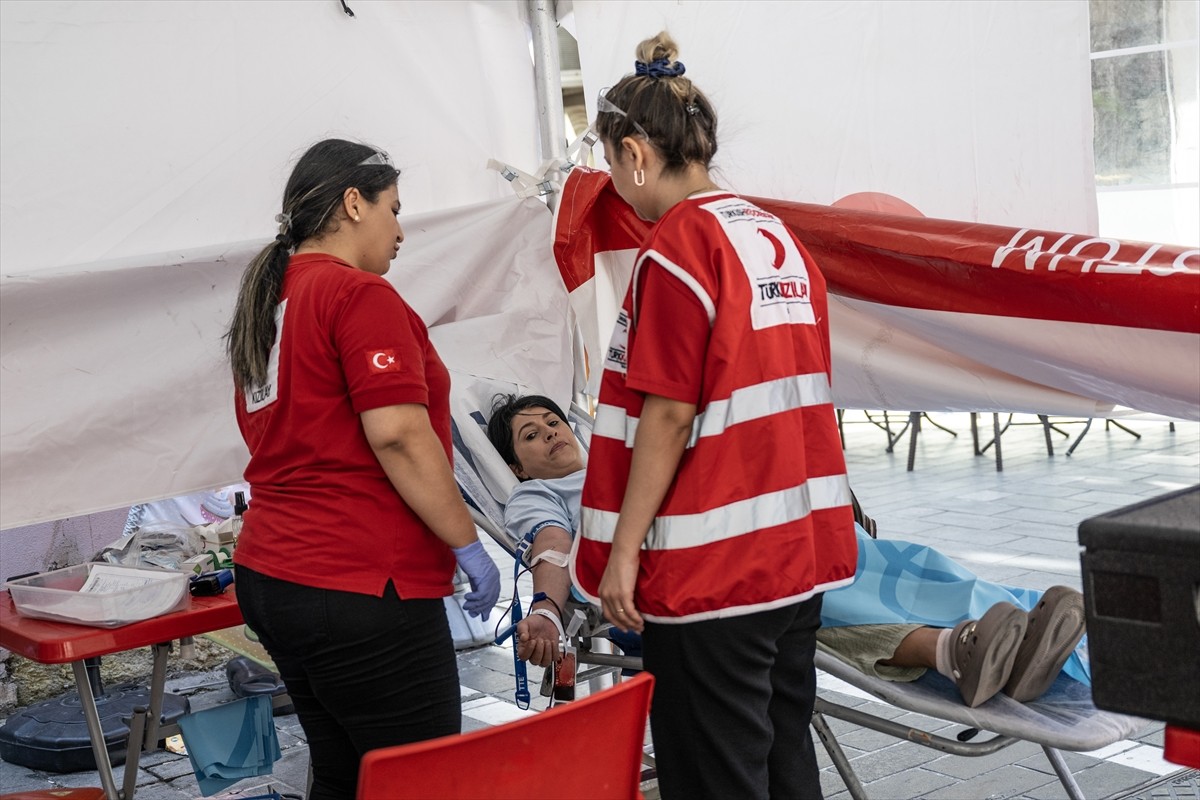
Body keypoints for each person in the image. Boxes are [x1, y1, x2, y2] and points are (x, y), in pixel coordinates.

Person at [568, 32, 860, 799]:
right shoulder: (775, 239)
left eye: (610, 166)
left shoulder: (675, 252)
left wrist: (624, 550)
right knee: (783, 758)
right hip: (795, 555)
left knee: (715, 776)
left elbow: (667, 416)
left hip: (714, 572)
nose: (615, 187)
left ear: (636, 154)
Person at [487, 394, 1087, 711]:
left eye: (553, 421)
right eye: (531, 436)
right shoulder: (539, 494)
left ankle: (1017, 628)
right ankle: (959, 649)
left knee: (899, 561)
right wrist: (544, 608)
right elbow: (554, 547)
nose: (551, 435)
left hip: (753, 535)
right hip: (701, 580)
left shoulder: (626, 460)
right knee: (808, 606)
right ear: (516, 465)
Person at [224, 138, 500, 800]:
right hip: (358, 583)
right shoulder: (357, 295)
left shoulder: (270, 306)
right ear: (354, 204)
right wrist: (469, 543)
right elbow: (399, 434)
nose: (401, 231)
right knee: (418, 781)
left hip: (275, 572)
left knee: (346, 774)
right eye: (394, 209)